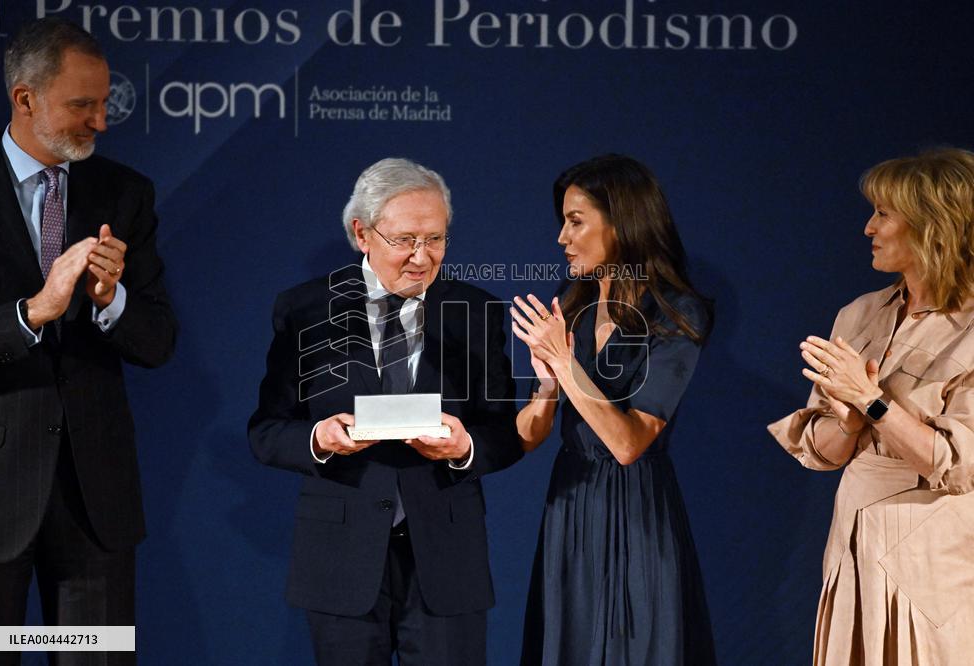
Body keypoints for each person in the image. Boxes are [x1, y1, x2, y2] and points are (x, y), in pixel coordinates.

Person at [248, 157, 522, 665]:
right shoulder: (306, 310)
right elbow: (266, 431)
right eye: (405, 239)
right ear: (362, 233)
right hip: (340, 557)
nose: (422, 256)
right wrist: (319, 439)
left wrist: (466, 449)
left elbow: (505, 433)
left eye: (436, 239)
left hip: (446, 557)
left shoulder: (477, 312)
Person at [0, 17, 177, 664]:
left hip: (98, 500)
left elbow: (158, 341)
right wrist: (34, 311)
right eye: (82, 105)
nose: (100, 121)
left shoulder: (125, 194)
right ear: (25, 99)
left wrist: (107, 299)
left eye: (104, 103)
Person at [768, 148, 974, 664]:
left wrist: (870, 400)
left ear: (933, 225)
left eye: (883, 213)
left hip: (931, 550)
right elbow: (825, 452)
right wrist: (848, 420)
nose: (867, 228)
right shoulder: (859, 314)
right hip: (852, 534)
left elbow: (955, 464)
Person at [513, 154, 716, 665]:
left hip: (637, 509)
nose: (562, 237)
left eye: (576, 221)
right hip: (571, 504)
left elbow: (629, 444)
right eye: (562, 221)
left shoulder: (676, 312)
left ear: (622, 222)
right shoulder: (572, 303)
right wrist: (546, 386)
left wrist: (565, 362)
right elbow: (529, 436)